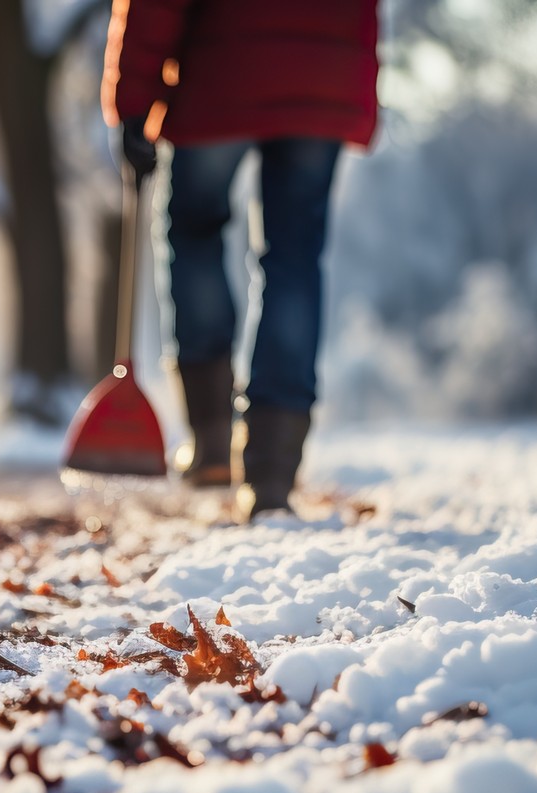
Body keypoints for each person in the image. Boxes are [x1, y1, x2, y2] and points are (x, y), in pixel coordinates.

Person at [103, 0, 379, 516]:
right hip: (322, 79)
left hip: (221, 74)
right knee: (294, 259)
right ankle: (272, 474)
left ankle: (210, 441)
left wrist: (135, 100)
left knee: (194, 229)